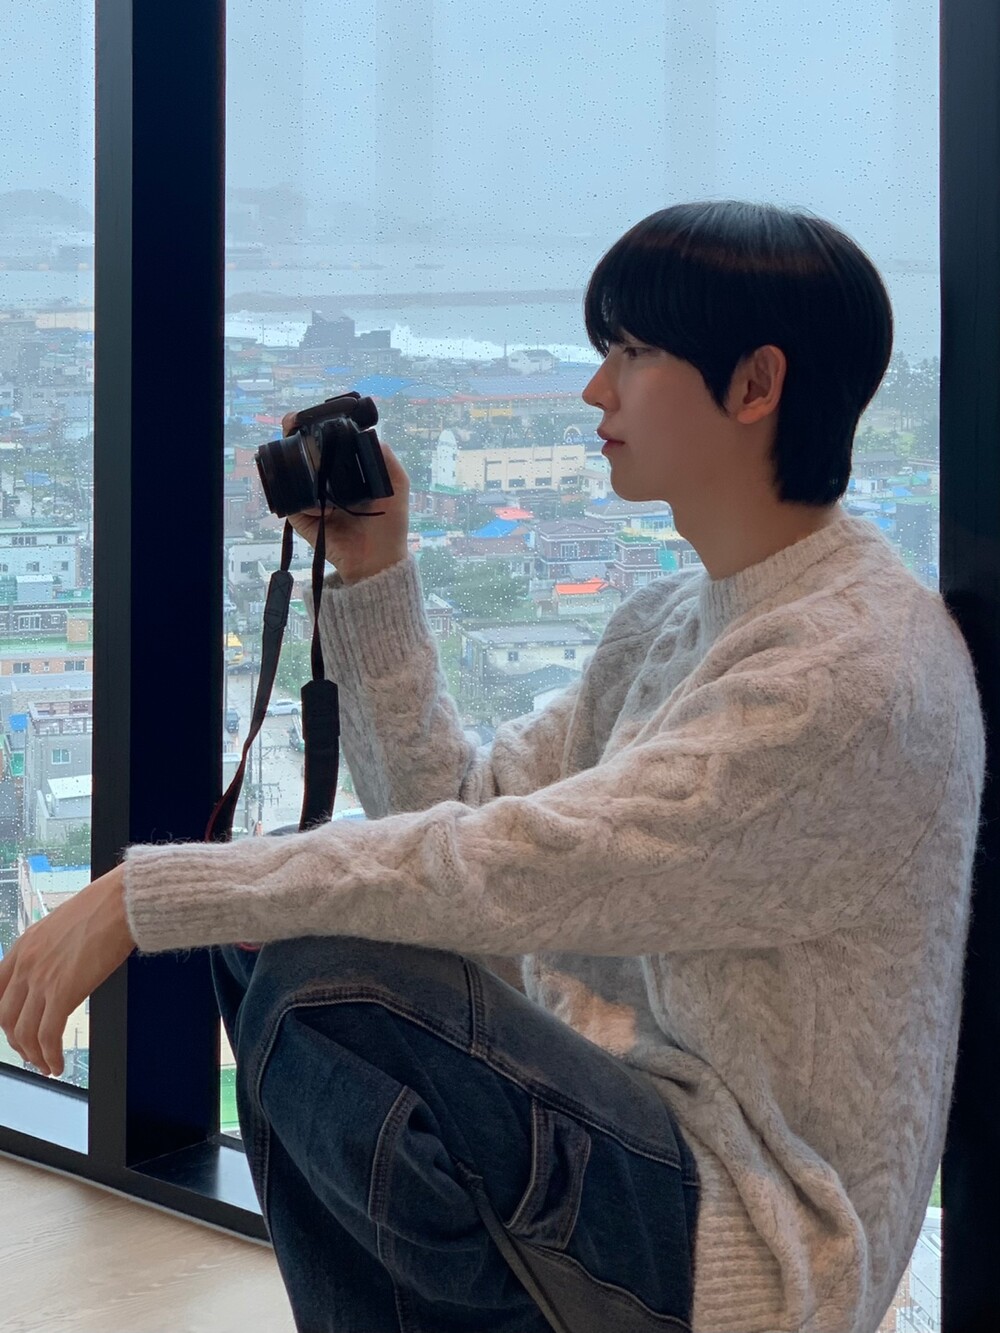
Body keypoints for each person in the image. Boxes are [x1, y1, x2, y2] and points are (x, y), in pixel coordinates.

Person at [0, 200, 986, 1333]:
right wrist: (374, 572)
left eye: (631, 353)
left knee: (331, 983)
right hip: (632, 1141)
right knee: (267, 932)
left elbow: (518, 866)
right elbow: (464, 810)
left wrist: (146, 891)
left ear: (757, 383)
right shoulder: (675, 620)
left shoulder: (852, 675)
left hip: (748, 1235)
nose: (596, 390)